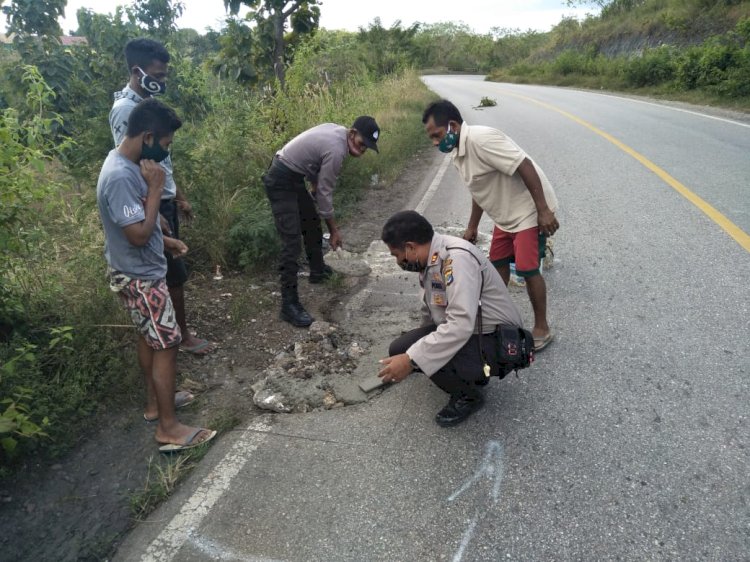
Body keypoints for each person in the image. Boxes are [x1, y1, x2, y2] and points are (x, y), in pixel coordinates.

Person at [97, 98, 216, 452]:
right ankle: (168, 427)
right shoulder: (119, 175)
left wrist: (166, 242)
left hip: (139, 270)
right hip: (141, 278)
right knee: (167, 344)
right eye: (164, 145)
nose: (165, 153)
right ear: (147, 136)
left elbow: (135, 227)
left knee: (150, 338)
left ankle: (155, 405)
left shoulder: (125, 161)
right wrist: (154, 191)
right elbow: (135, 235)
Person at [422, 99, 559, 352]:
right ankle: (499, 321)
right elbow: (479, 190)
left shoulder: (481, 140)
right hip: (505, 214)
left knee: (528, 268)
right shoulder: (459, 155)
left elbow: (524, 165)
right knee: (495, 268)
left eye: (437, 135)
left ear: (452, 126)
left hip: (528, 209)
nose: (435, 142)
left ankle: (542, 328)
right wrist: (472, 226)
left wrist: (543, 210)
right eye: (431, 138)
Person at [109, 37, 215, 356]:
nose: (162, 81)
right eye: (158, 75)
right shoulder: (126, 110)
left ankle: (175, 334)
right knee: (169, 276)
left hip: (162, 199)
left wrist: (178, 195)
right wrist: (152, 212)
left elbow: (162, 160)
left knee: (173, 272)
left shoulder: (148, 108)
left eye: (165, 75)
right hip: (150, 204)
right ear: (137, 71)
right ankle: (175, 338)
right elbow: (133, 165)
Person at [378, 211, 524, 427]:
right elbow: (431, 310)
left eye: (396, 254)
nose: (398, 261)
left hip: (498, 338)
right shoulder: (430, 258)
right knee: (402, 349)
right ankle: (468, 372)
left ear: (410, 246)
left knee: (424, 356)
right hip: (473, 329)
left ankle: (469, 395)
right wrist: (415, 350)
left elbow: (460, 325)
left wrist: (414, 359)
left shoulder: (456, 259)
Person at [263, 116, 381, 327]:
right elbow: (325, 196)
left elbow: (315, 161)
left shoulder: (337, 133)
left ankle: (317, 271)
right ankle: (288, 305)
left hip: (294, 175)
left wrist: (315, 184)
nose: (362, 150)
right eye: (362, 144)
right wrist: (334, 231)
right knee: (291, 243)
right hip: (281, 179)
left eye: (367, 148)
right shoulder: (337, 150)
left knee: (311, 222)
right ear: (352, 133)